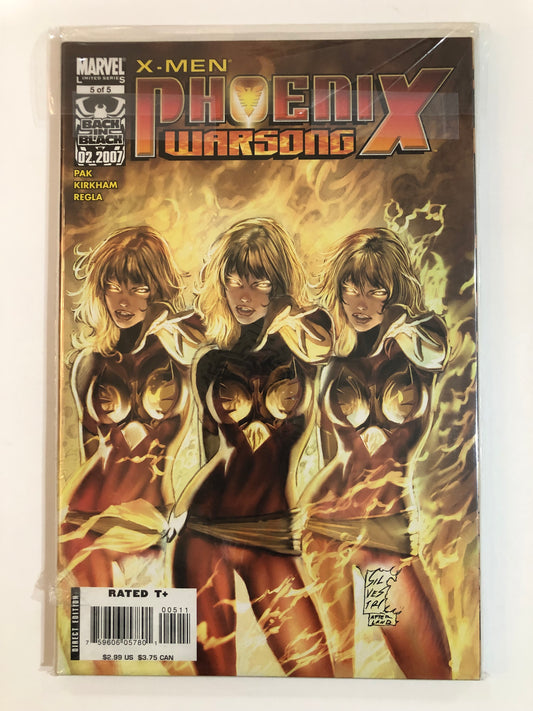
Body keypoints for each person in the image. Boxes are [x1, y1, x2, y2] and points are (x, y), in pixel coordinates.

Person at [171, 217, 334, 676]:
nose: (244, 296)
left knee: (318, 679)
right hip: (205, 532)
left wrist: (281, 310)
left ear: (278, 286)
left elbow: (323, 343)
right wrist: (181, 504)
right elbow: (214, 454)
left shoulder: (303, 347)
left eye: (260, 282)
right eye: (235, 280)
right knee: (214, 686)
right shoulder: (210, 361)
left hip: (273, 533)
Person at [300, 227, 452, 679]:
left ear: (395, 293)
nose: (360, 303)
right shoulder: (333, 364)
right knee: (339, 665)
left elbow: (434, 348)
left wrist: (398, 316)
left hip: (386, 531)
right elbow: (332, 452)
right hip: (325, 526)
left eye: (375, 290)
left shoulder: (420, 346)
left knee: (430, 672)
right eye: (351, 288)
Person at [60, 226, 204, 588]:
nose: (123, 301)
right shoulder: (90, 364)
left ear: (158, 290)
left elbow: (211, 334)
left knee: (149, 620)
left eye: (138, 288)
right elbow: (90, 451)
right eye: (113, 286)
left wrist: (161, 320)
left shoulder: (179, 356)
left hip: (151, 521)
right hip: (86, 518)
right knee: (94, 622)